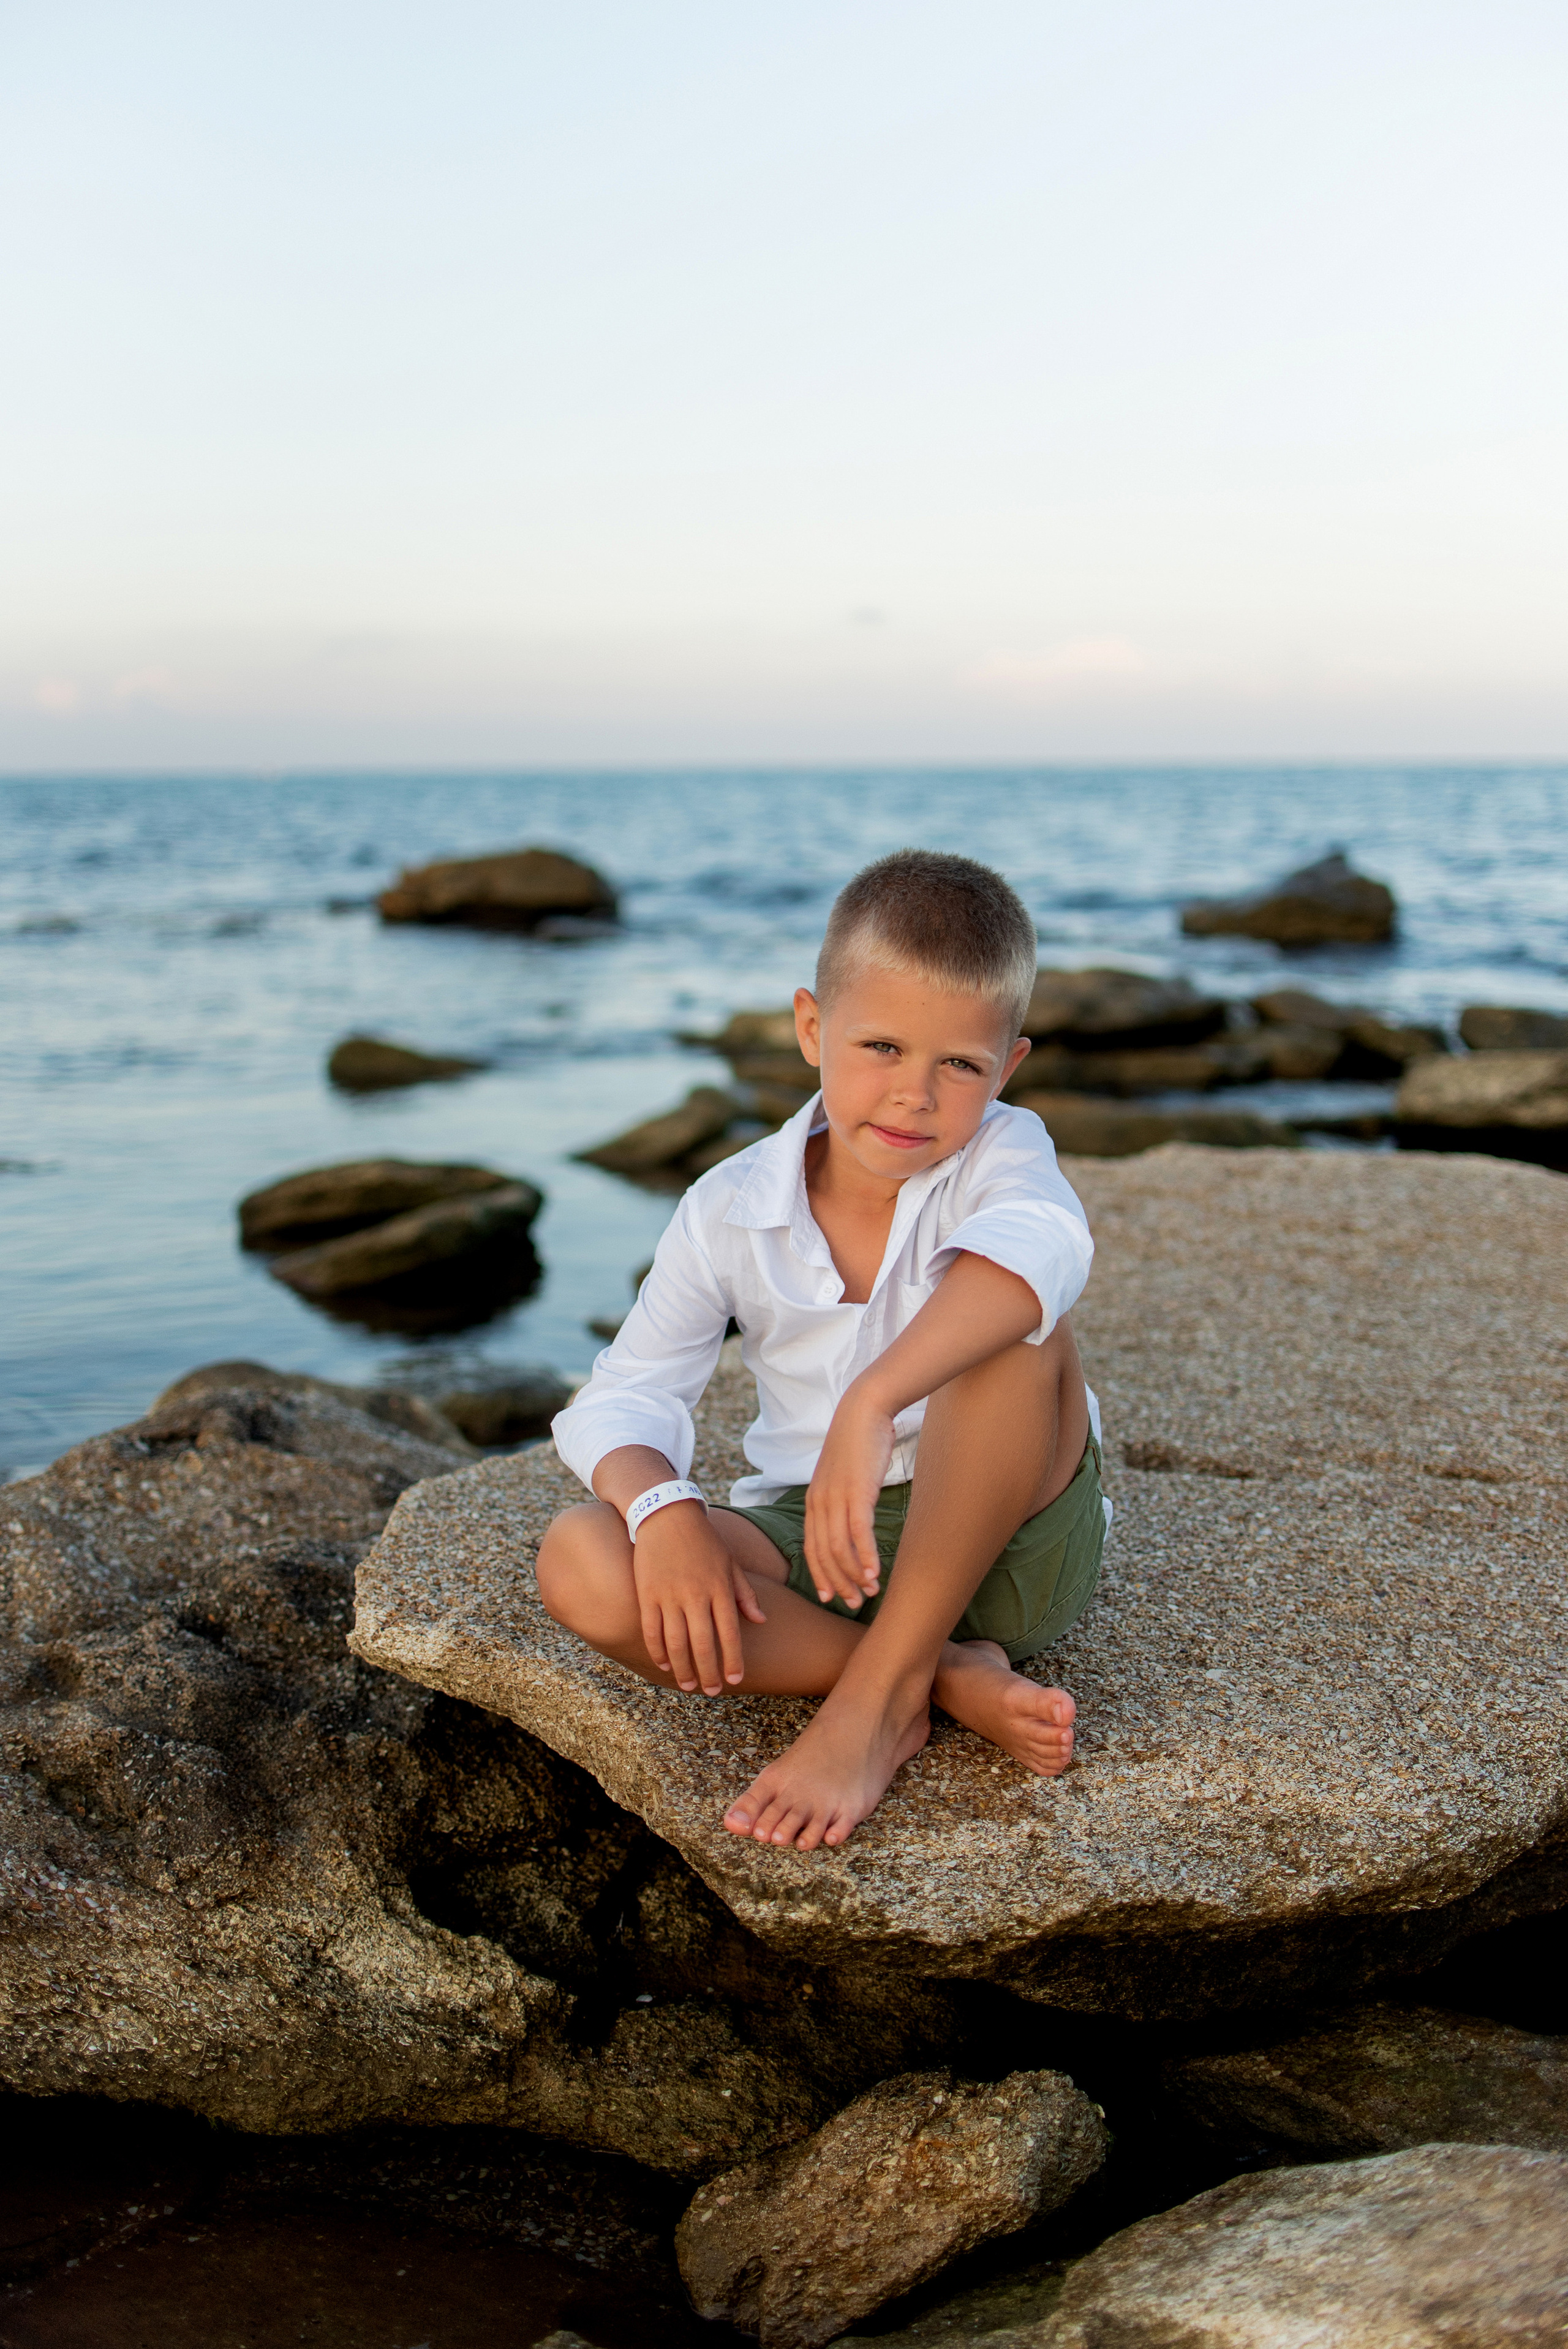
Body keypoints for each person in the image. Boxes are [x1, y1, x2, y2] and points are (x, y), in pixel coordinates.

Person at [540, 848, 1108, 1852]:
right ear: (811, 1027)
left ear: (1008, 1068)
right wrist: (663, 1509)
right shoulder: (729, 1204)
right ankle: (939, 1673)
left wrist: (870, 1401)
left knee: (1016, 1322)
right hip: (824, 1542)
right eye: (881, 1046)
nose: (915, 1094)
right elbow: (623, 1395)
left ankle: (874, 1707)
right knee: (584, 1558)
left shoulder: (1005, 1152)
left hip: (1007, 1545)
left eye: (960, 1065)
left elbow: (1046, 1246)